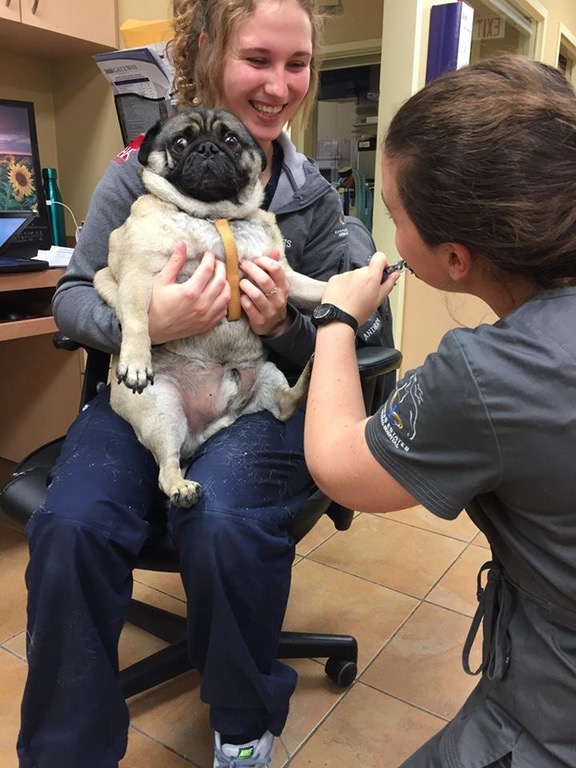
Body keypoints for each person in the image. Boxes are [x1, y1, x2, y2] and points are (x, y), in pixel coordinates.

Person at [17, 1, 395, 767]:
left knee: (222, 523)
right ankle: (66, 750)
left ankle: (243, 728)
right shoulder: (138, 171)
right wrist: (143, 322)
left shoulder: (314, 203)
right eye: (258, 59)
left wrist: (282, 326)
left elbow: (358, 333)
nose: (279, 83)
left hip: (250, 390)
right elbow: (71, 294)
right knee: (72, 526)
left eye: (298, 64)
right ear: (210, 54)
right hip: (145, 385)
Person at [304, 54, 576, 768]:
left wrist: (336, 317)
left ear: (455, 258)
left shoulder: (491, 373)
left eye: (393, 215)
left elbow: (338, 462)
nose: (389, 235)